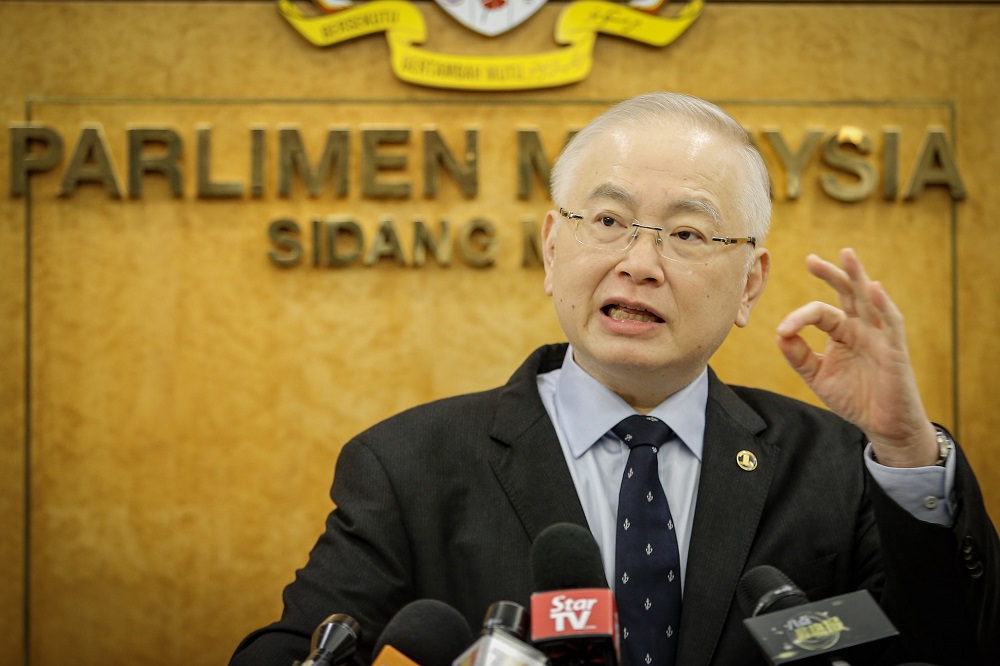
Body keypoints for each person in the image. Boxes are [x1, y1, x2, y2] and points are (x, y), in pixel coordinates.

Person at [231, 92, 998, 666]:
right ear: (551, 248)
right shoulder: (407, 466)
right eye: (607, 221)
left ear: (751, 285)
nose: (639, 261)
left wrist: (902, 449)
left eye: (689, 234)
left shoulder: (837, 464)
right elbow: (300, 649)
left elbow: (951, 643)